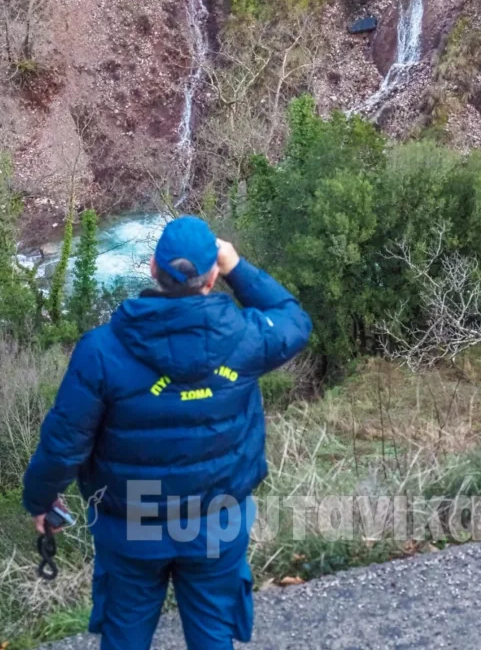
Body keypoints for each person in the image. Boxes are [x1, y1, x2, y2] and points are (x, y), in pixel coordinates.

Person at [22, 216, 312, 650]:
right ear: (212, 275)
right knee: (213, 634)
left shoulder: (102, 350)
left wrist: (40, 500)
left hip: (132, 524)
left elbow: (65, 443)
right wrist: (236, 267)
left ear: (153, 269)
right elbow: (292, 318)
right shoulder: (247, 339)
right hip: (218, 520)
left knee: (124, 635)